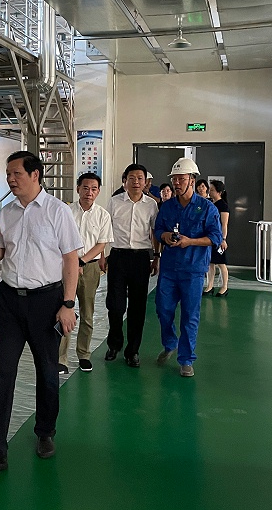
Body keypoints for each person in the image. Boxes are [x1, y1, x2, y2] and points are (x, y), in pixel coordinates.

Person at [0, 151, 82, 472]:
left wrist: (68, 304)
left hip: (47, 301)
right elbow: (0, 255)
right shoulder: (6, 213)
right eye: (8, 174)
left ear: (35, 175)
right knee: (3, 371)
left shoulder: (57, 211)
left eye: (16, 173)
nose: (10, 179)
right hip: (11, 302)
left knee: (47, 370)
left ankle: (45, 432)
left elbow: (70, 259)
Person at [154, 158, 223, 377]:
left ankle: (186, 359)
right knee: (163, 309)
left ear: (192, 180)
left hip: (193, 270)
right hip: (169, 269)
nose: (176, 183)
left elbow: (216, 237)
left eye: (181, 179)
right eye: (174, 179)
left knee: (190, 315)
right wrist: (165, 236)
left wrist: (190, 241)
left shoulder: (207, 208)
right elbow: (157, 230)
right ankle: (170, 343)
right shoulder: (167, 207)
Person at [58, 172, 114, 375]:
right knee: (64, 310)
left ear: (98, 192)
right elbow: (60, 239)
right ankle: (61, 358)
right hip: (66, 266)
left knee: (87, 313)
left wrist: (81, 261)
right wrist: (73, 262)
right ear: (78, 189)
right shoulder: (65, 211)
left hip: (89, 267)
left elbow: (101, 243)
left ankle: (83, 355)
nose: (89, 192)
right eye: (85, 188)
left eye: (93, 189)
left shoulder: (103, 215)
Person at [105, 163, 159, 368]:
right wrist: (103, 255)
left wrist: (156, 257)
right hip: (118, 257)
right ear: (124, 181)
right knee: (115, 306)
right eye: (132, 178)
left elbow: (155, 233)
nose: (136, 182)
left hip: (140, 259)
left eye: (140, 178)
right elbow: (104, 230)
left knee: (138, 307)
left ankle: (133, 351)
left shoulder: (151, 205)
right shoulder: (114, 202)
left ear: (146, 182)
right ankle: (114, 344)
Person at [205, 180, 230, 297]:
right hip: (209, 237)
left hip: (218, 238)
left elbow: (224, 224)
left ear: (219, 192)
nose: (210, 192)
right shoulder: (210, 203)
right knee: (210, 262)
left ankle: (224, 287)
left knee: (221, 263)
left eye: (212, 190)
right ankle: (210, 286)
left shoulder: (223, 206)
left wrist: (223, 239)